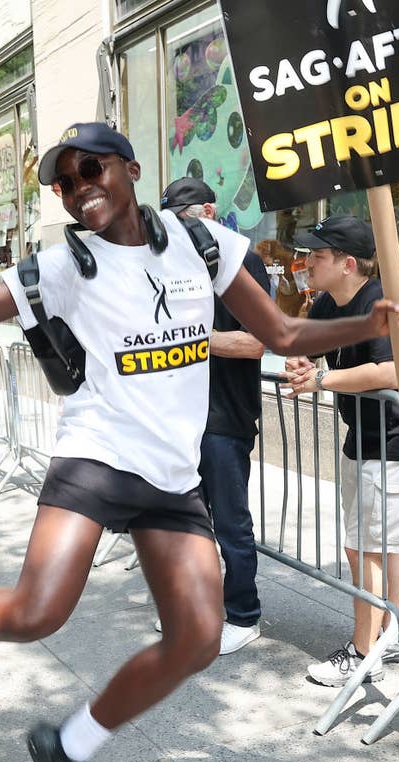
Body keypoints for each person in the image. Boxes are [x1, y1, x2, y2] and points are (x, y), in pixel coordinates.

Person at [0, 123, 399, 762]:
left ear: (132, 168)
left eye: (92, 170)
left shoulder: (201, 245)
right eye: (65, 182)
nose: (80, 188)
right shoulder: (60, 266)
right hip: (97, 454)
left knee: (199, 637)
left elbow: (285, 336)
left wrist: (381, 323)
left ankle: (71, 747)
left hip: (172, 478)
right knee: (38, 611)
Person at [282, 215, 399, 687]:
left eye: (318, 256)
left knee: (366, 547)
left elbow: (390, 373)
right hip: (365, 435)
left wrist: (321, 378)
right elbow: (311, 345)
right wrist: (304, 360)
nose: (307, 264)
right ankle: (395, 637)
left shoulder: (381, 303)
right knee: (375, 548)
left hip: (396, 440)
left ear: (348, 263)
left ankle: (365, 650)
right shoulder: (329, 301)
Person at [159, 177, 269, 655]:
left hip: (224, 419)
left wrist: (190, 339)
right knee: (185, 524)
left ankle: (244, 616)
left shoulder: (244, 260)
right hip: (177, 418)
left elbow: (256, 342)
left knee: (230, 524)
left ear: (208, 210)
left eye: (182, 221)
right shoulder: (166, 265)